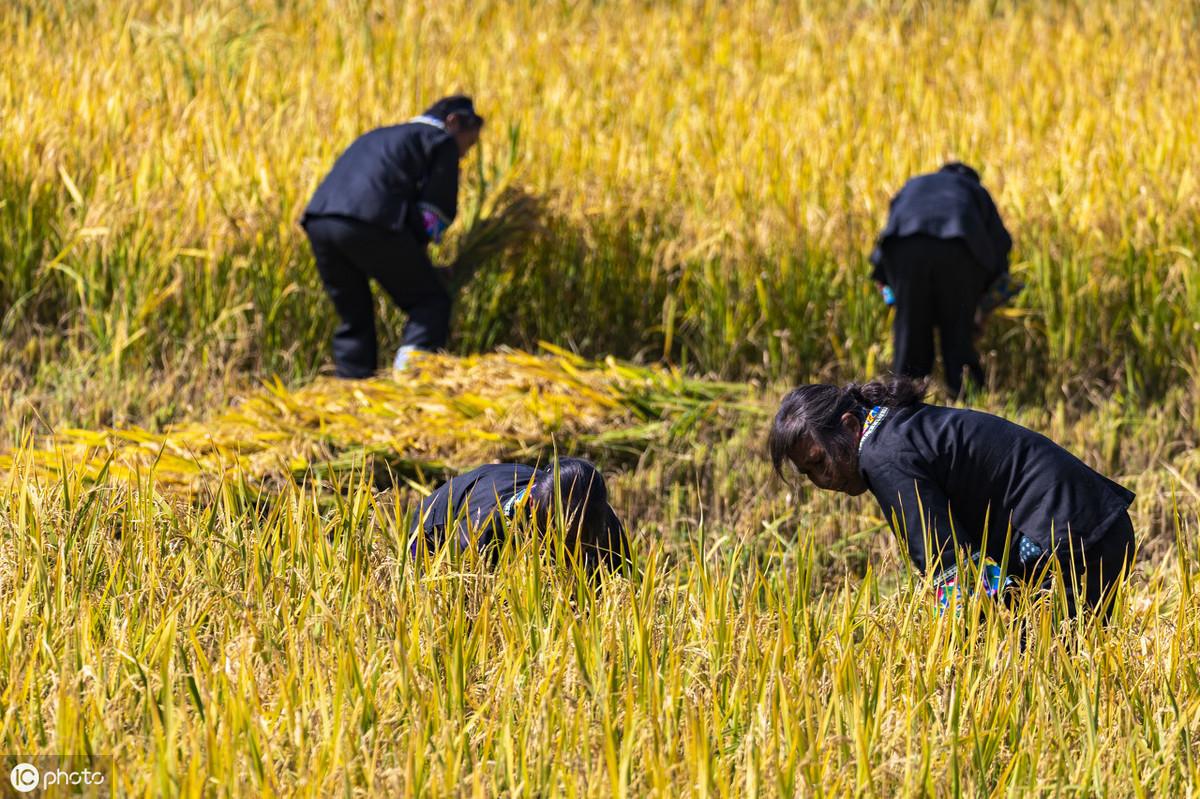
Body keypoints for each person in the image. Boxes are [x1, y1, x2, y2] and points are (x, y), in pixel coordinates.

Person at [768, 376, 1136, 619]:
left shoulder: (884, 456)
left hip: (1068, 542)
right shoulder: (895, 429)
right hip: (1092, 526)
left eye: (820, 462)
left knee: (1041, 669)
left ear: (849, 426)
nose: (823, 479)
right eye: (809, 473)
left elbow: (949, 565)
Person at [302, 95, 484, 378]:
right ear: (453, 122)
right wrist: (424, 265)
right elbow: (435, 212)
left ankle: (350, 391)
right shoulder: (440, 140)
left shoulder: (381, 135)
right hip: (371, 220)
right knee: (431, 301)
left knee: (355, 317)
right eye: (468, 145)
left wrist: (418, 263)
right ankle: (410, 384)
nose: (464, 155)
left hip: (321, 220)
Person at [870, 162, 1013, 397]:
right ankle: (969, 401)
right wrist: (980, 305)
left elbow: (886, 241)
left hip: (904, 248)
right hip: (958, 248)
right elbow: (1000, 247)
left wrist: (891, 288)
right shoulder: (974, 190)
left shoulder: (914, 185)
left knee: (910, 335)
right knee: (958, 331)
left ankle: (903, 404)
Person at [410, 457, 630, 576]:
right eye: (563, 540)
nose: (571, 551)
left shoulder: (604, 524)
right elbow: (466, 606)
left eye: (583, 543)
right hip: (434, 527)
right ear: (533, 506)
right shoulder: (482, 533)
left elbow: (621, 587)